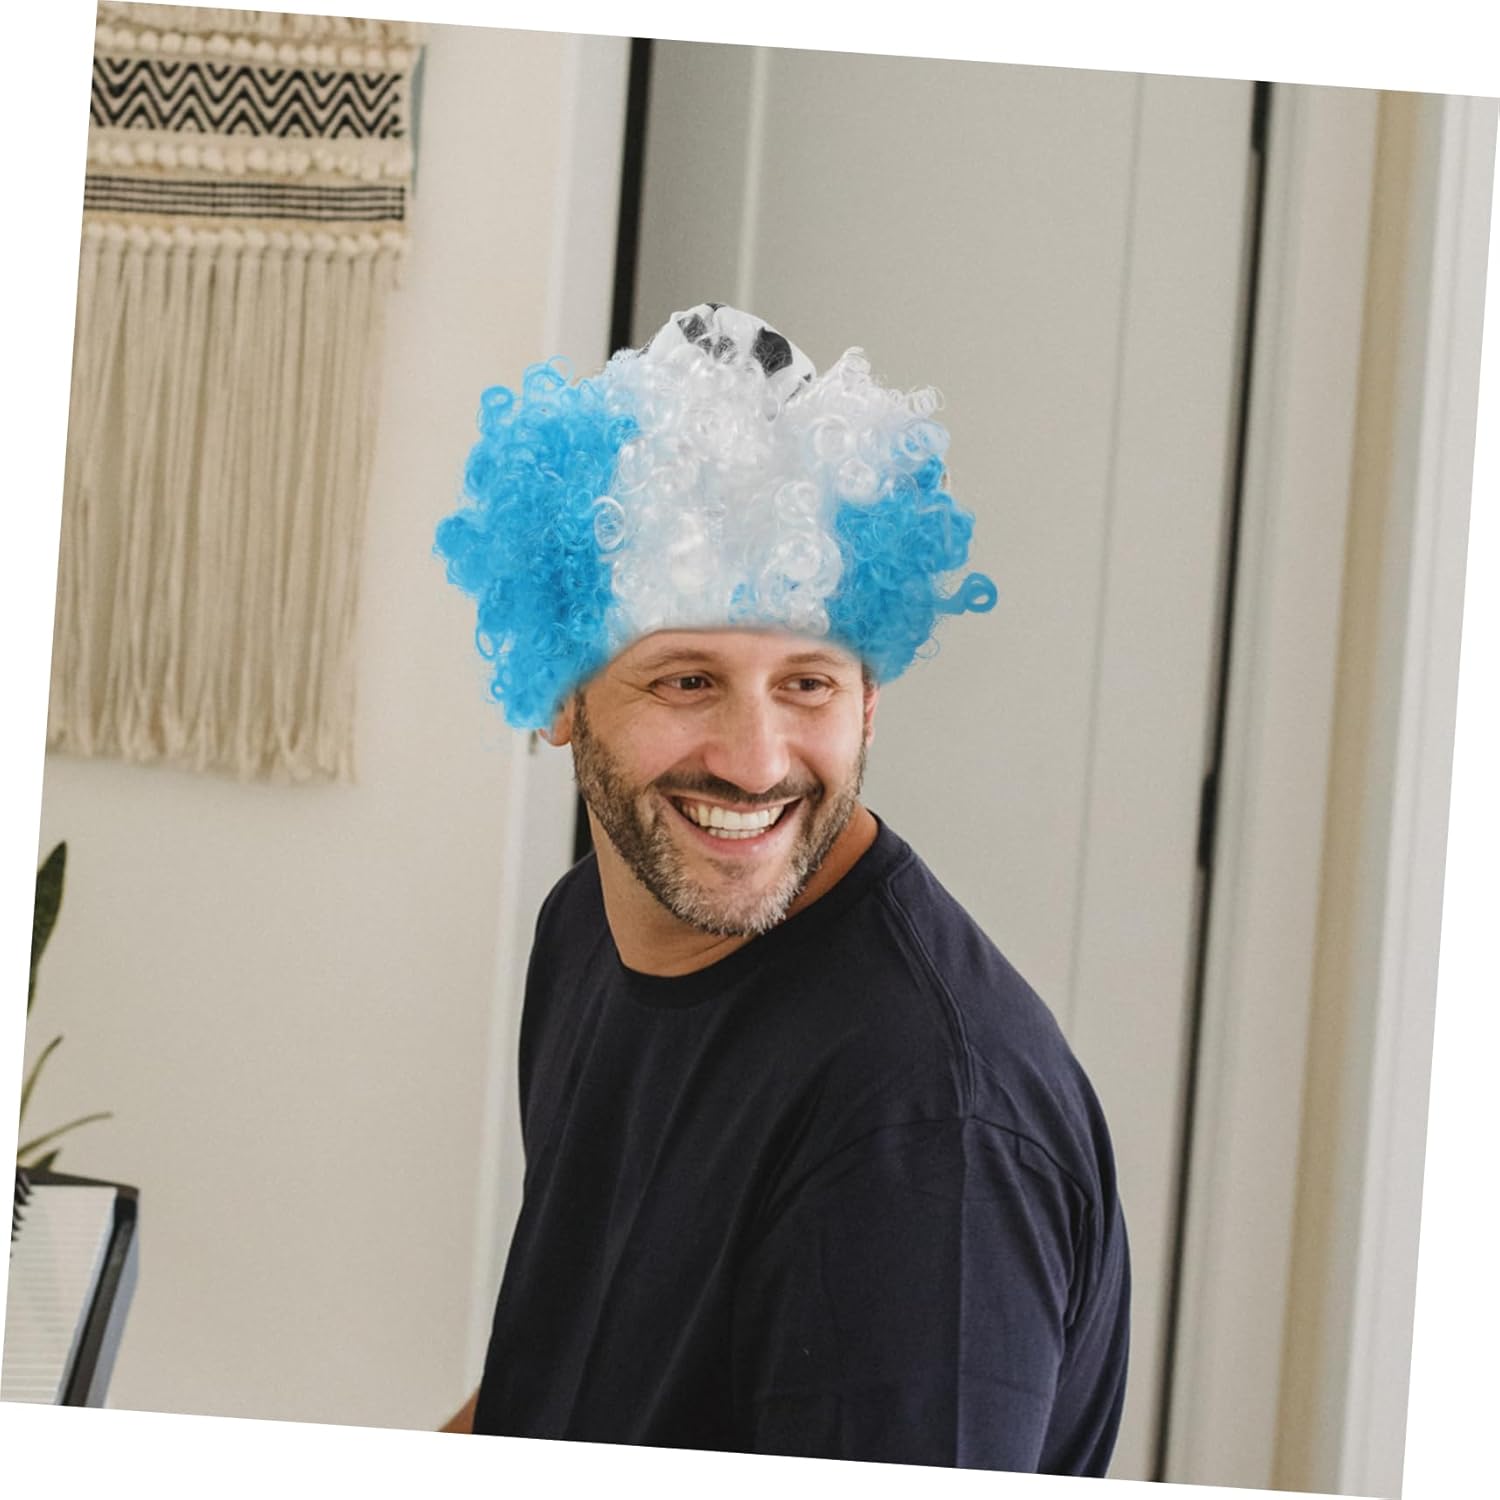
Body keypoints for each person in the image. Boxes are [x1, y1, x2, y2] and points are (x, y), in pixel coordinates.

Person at [432, 304, 1129, 1472]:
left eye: (807, 683)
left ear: (869, 701)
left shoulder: (925, 1133)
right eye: (687, 680)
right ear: (560, 692)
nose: (756, 764)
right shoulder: (588, 932)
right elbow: (564, 1392)